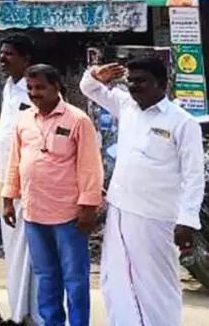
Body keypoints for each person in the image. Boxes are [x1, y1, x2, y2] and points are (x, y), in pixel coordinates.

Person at [81, 57, 203, 326]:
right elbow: (88, 88)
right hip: (120, 210)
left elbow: (194, 176)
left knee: (157, 283)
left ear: (162, 83)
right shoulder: (126, 105)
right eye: (131, 81)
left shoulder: (182, 122)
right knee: (116, 278)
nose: (134, 86)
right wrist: (97, 73)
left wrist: (186, 220)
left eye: (141, 81)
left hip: (157, 217)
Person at [3, 64, 102, 326]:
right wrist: (8, 199)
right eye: (30, 88)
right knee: (45, 276)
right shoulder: (24, 119)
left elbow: (90, 166)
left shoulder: (78, 120)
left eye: (40, 87)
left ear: (56, 87)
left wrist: (88, 207)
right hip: (34, 213)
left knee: (75, 279)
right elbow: (15, 161)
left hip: (69, 215)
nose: (34, 93)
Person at [0, 33, 38, 326]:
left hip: (28, 181)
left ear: (26, 59)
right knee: (13, 248)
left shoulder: (34, 89)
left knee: (28, 249)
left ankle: (28, 313)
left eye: (9, 54)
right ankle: (17, 310)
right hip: (5, 178)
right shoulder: (8, 88)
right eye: (1, 53)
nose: (3, 58)